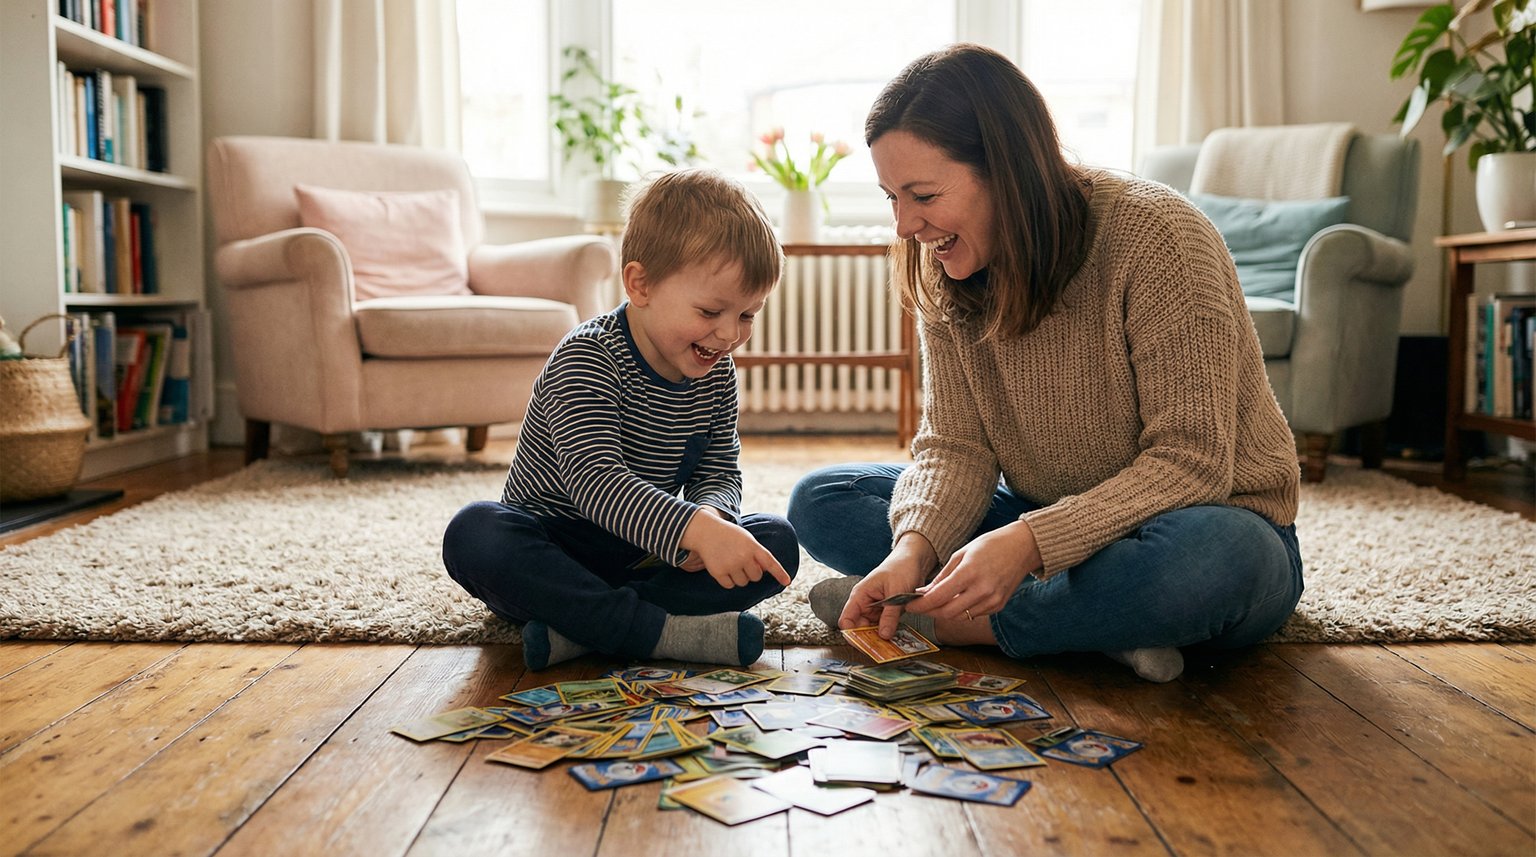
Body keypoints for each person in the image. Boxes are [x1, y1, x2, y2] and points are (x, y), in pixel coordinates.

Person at [788, 44, 1303, 683]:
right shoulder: (947, 263)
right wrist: (912, 553)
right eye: (891, 197)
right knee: (823, 499)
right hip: (1041, 518)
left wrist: (1028, 544)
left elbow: (1192, 464)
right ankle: (1097, 626)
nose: (904, 226)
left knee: (1220, 561)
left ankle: (959, 625)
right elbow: (955, 446)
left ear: (1006, 169)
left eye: (921, 194)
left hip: (1198, 520)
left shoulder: (1160, 238)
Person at [443, 168, 797, 670]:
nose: (728, 335)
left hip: (646, 553)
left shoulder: (716, 371)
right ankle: (656, 630)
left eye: (747, 315)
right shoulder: (588, 357)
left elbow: (718, 470)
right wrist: (693, 529)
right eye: (710, 311)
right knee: (474, 533)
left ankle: (586, 630)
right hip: (558, 544)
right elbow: (596, 483)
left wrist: (714, 520)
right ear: (640, 284)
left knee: (774, 541)